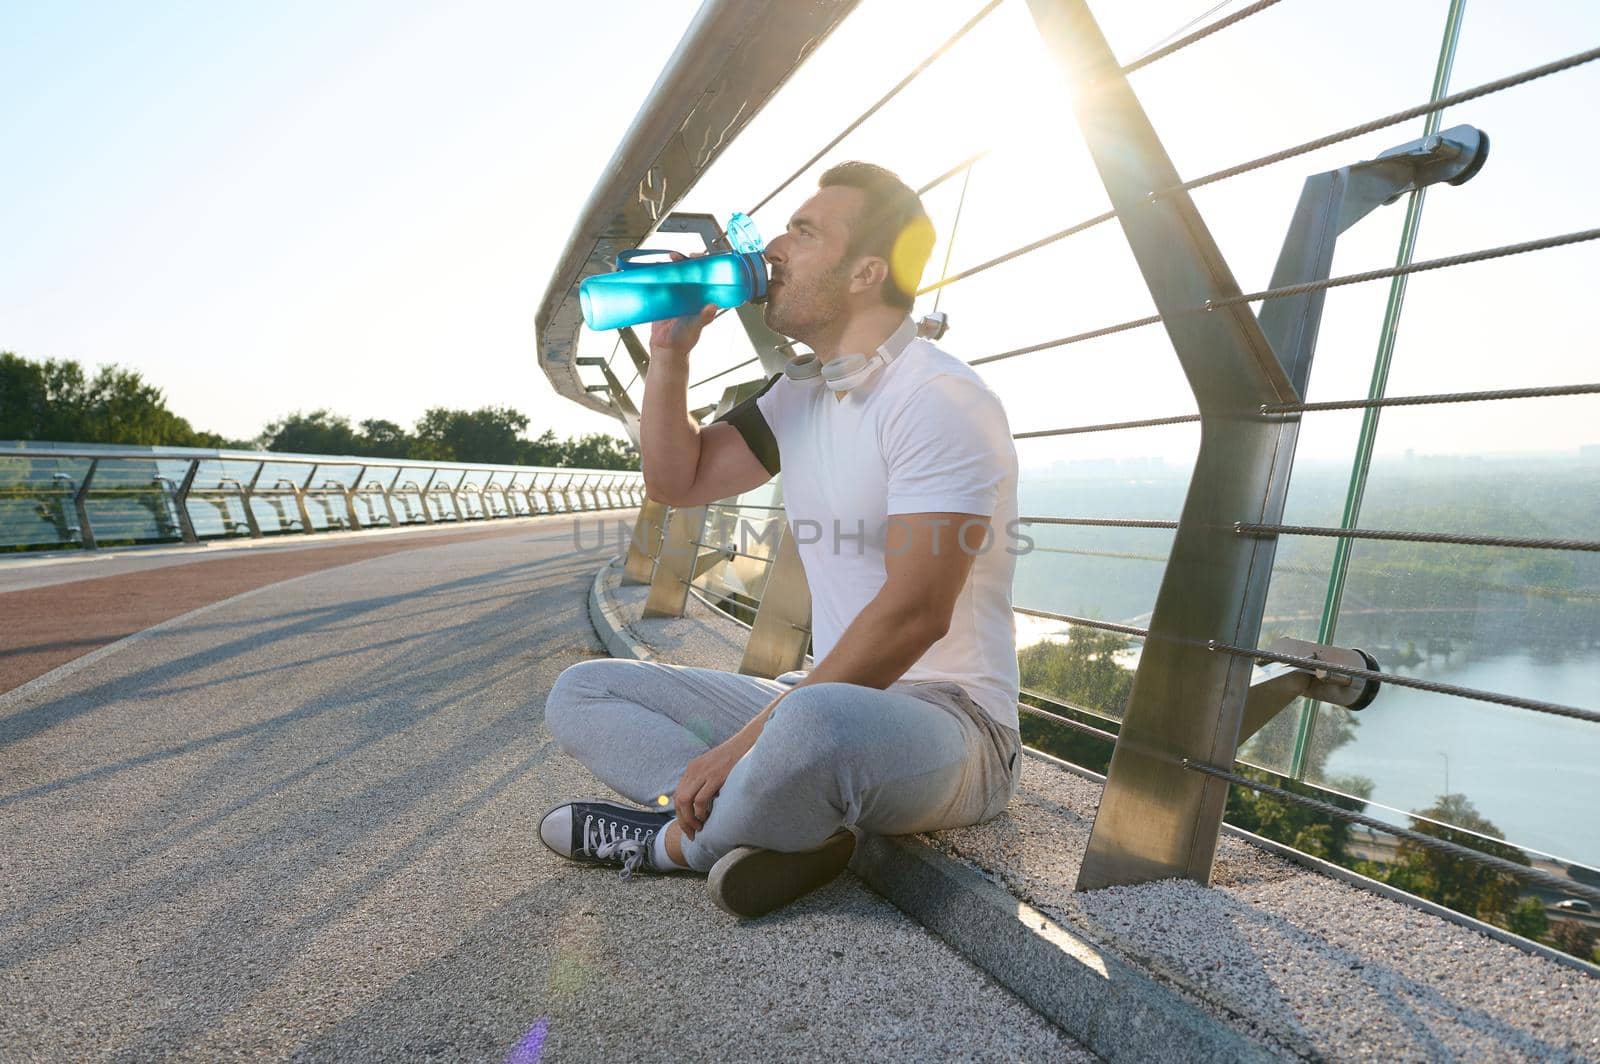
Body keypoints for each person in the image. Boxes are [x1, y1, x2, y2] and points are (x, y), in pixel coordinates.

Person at [539, 161, 1023, 919]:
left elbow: (917, 614)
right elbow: (678, 480)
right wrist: (670, 356)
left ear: (866, 271)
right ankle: (774, 824)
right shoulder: (800, 394)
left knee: (813, 723)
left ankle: (669, 844)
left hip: (958, 729)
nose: (772, 246)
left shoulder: (937, 398)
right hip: (814, 699)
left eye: (802, 230)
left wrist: (744, 745)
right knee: (585, 689)